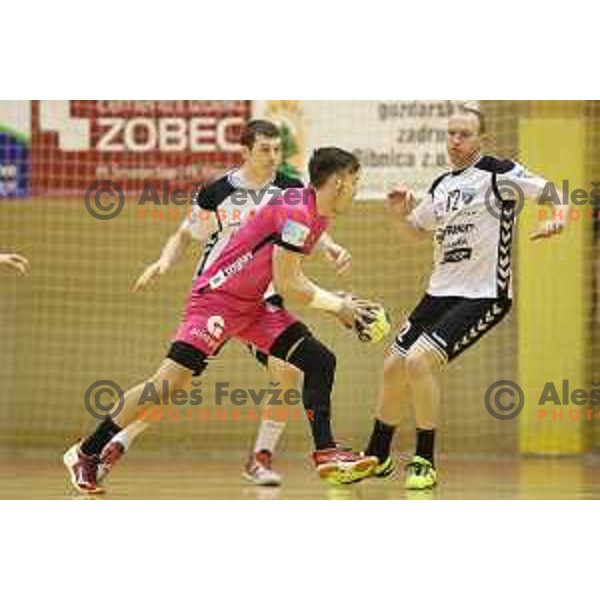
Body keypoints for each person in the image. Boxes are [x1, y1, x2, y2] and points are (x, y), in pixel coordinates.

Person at [64, 146, 378, 494]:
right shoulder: (297, 211)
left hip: (254, 307)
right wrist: (338, 306)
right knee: (165, 385)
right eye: (355, 180)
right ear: (337, 181)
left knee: (320, 361)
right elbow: (289, 284)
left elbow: (285, 276)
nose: (357, 187)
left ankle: (326, 453)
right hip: (216, 300)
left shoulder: (315, 214)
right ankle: (88, 451)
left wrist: (337, 302)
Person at [128, 120, 352, 486]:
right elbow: (186, 234)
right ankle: (119, 439)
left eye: (277, 149)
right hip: (219, 293)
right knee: (174, 384)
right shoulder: (218, 190)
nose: (273, 156)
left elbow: (304, 224)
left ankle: (261, 455)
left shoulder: (290, 187)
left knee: (289, 371)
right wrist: (164, 261)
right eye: (264, 149)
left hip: (263, 296)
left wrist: (331, 248)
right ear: (245, 151)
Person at [363, 106, 567, 490]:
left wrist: (558, 215)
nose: (455, 141)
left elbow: (553, 192)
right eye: (451, 134)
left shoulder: (499, 172)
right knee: (394, 365)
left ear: (481, 139)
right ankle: (378, 455)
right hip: (440, 292)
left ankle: (424, 459)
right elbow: (415, 234)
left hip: (484, 294)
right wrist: (396, 215)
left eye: (464, 134)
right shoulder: (441, 185)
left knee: (419, 362)